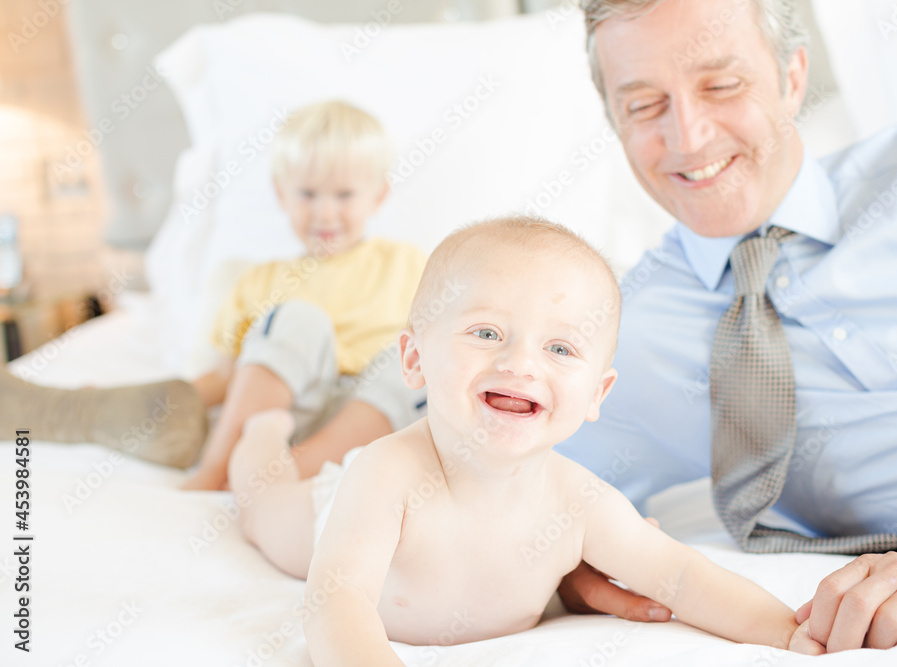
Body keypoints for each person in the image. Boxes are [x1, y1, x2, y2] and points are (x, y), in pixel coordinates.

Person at [555, 0, 897, 654]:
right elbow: (474, 465)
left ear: (793, 78)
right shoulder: (617, 332)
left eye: (721, 85)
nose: (689, 137)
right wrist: (555, 558)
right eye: (645, 105)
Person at [227, 217, 821, 664]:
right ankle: (264, 429)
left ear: (597, 393)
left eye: (560, 348)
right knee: (263, 503)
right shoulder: (388, 474)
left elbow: (684, 577)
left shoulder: (582, 504)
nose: (520, 363)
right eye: (486, 332)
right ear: (415, 359)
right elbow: (338, 601)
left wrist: (791, 632)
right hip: (330, 512)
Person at [0, 100, 428, 492]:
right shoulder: (260, 280)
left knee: (415, 363)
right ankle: (216, 469)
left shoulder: (409, 263)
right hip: (281, 413)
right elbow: (228, 377)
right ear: (282, 193)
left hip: (366, 420)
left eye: (344, 195)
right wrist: (157, 397)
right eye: (308, 194)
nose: (325, 213)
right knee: (298, 319)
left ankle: (275, 478)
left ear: (379, 195)